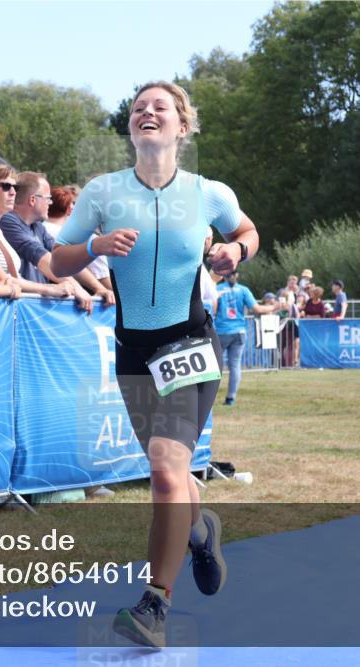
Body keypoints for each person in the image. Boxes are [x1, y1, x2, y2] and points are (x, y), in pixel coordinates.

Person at [51, 80, 262, 649]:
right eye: (138, 107)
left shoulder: (208, 193)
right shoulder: (103, 191)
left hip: (190, 343)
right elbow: (54, 262)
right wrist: (94, 248)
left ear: (181, 127)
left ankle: (154, 605)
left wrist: (236, 250)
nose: (147, 112)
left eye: (159, 107)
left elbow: (247, 231)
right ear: (130, 126)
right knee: (170, 471)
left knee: (167, 470)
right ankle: (200, 529)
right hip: (134, 352)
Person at [0, 172, 114, 311]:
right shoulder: (8, 221)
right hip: (21, 310)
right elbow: (41, 257)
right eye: (48, 198)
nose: (51, 202)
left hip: (33, 308)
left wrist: (99, 288)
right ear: (33, 200)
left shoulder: (38, 226)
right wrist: (77, 288)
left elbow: (64, 258)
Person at [214, 270, 274, 405]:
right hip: (239, 331)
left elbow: (212, 309)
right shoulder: (243, 290)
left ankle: (208, 397)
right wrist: (275, 307)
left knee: (215, 366)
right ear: (237, 275)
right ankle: (231, 398)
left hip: (222, 331)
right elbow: (257, 309)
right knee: (235, 365)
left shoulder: (217, 289)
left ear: (224, 276)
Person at [45, 184, 112, 291]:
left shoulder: (37, 229)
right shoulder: (83, 238)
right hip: (87, 293)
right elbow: (102, 276)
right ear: (70, 209)